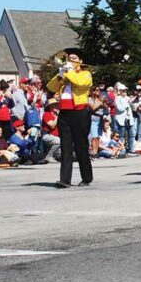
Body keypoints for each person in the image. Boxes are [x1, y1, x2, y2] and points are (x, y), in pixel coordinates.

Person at [46, 48, 94, 188]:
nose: (70, 60)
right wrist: (60, 75)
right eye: (69, 58)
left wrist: (69, 71)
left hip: (80, 113)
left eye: (74, 58)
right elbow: (51, 87)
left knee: (81, 147)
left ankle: (86, 177)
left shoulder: (86, 74)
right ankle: (65, 179)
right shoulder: (66, 75)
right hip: (65, 113)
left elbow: (80, 83)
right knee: (65, 147)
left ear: (80, 61)